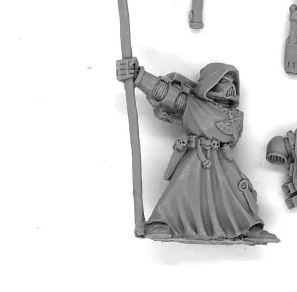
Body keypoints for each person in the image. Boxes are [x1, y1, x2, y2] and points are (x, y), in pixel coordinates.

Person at [116, 58, 279, 245]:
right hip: (196, 156)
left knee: (236, 189)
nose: (231, 87)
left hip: (222, 158)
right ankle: (163, 222)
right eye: (224, 81)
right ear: (210, 83)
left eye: (233, 82)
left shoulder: (235, 115)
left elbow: (232, 138)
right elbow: (163, 92)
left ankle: (248, 226)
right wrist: (138, 76)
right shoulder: (191, 104)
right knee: (180, 188)